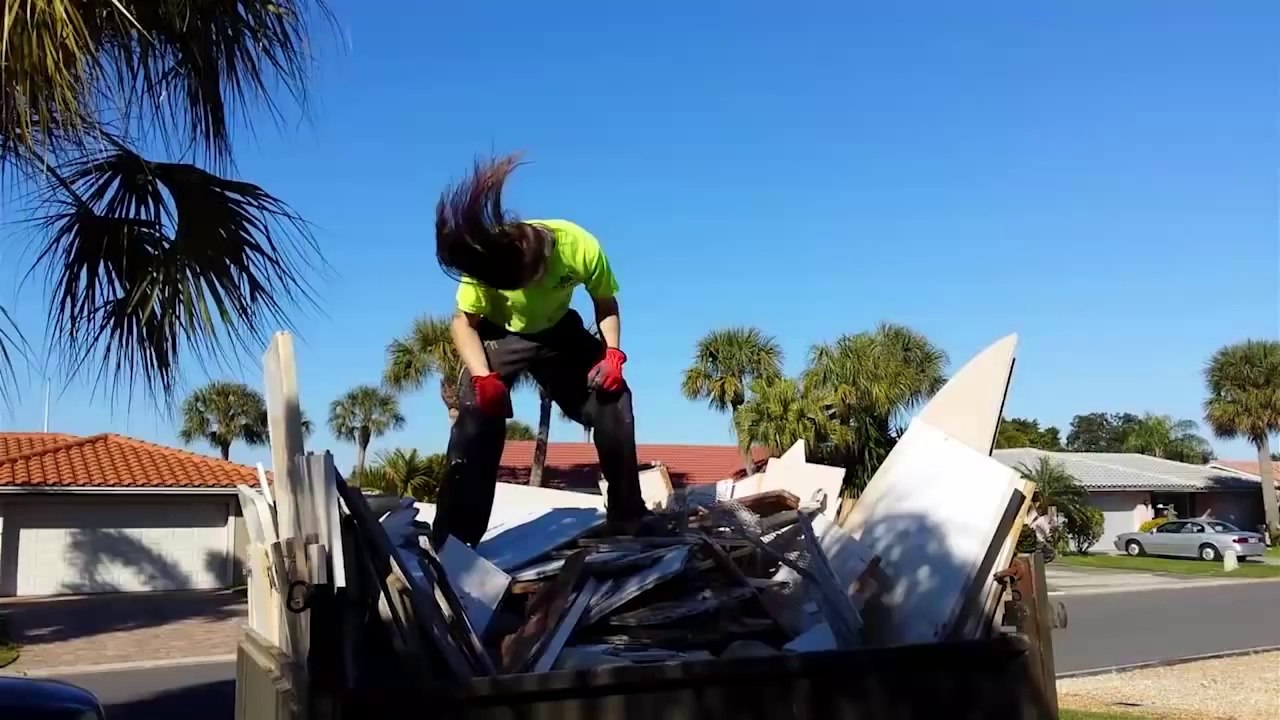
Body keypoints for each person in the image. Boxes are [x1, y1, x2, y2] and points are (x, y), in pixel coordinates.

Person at [429, 154, 651, 548]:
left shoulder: (578, 245)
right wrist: (483, 375)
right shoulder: (489, 258)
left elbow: (605, 303)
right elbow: (464, 323)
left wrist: (613, 354)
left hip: (558, 332)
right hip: (501, 337)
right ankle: (456, 541)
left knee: (615, 398)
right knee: (476, 416)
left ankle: (628, 516)